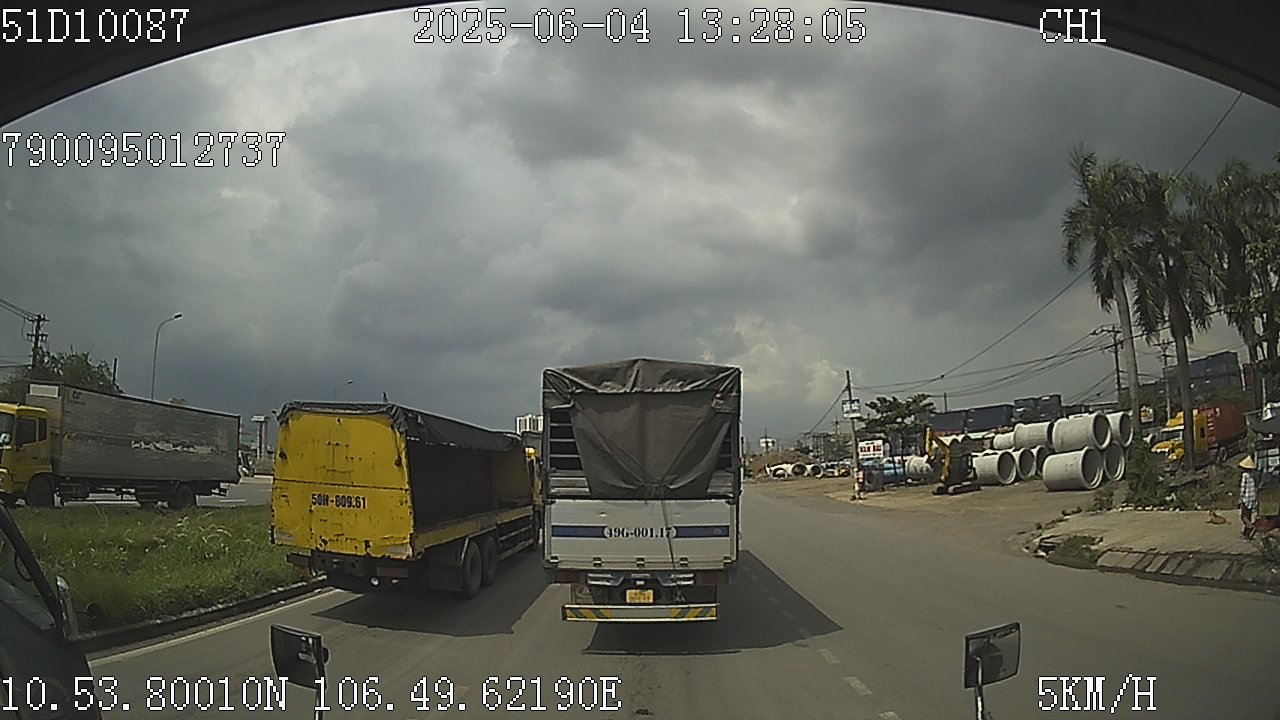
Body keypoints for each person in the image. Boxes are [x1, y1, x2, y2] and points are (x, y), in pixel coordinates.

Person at [1239, 455, 1259, 539]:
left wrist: (1240, 497)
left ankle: (1250, 527)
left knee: (1243, 516)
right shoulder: (1254, 474)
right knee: (1249, 515)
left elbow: (1243, 487)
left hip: (1246, 497)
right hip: (1253, 497)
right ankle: (1246, 533)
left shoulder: (1245, 475)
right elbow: (1256, 485)